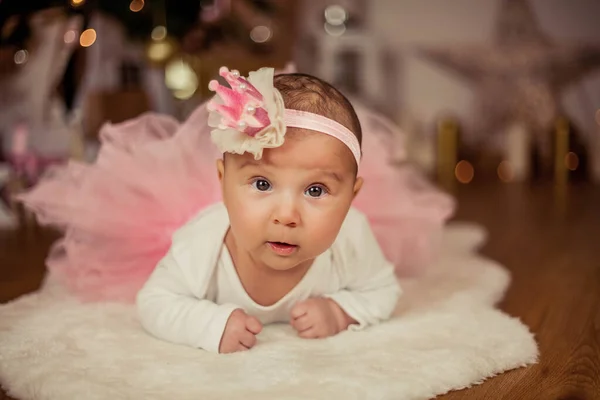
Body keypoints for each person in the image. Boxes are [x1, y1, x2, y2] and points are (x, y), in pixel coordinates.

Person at [17, 66, 454, 353]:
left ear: (352, 197)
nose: (287, 215)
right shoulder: (204, 241)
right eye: (261, 183)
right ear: (222, 182)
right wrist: (209, 322)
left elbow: (382, 291)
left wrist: (340, 311)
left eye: (317, 190)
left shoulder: (352, 236)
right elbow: (155, 302)